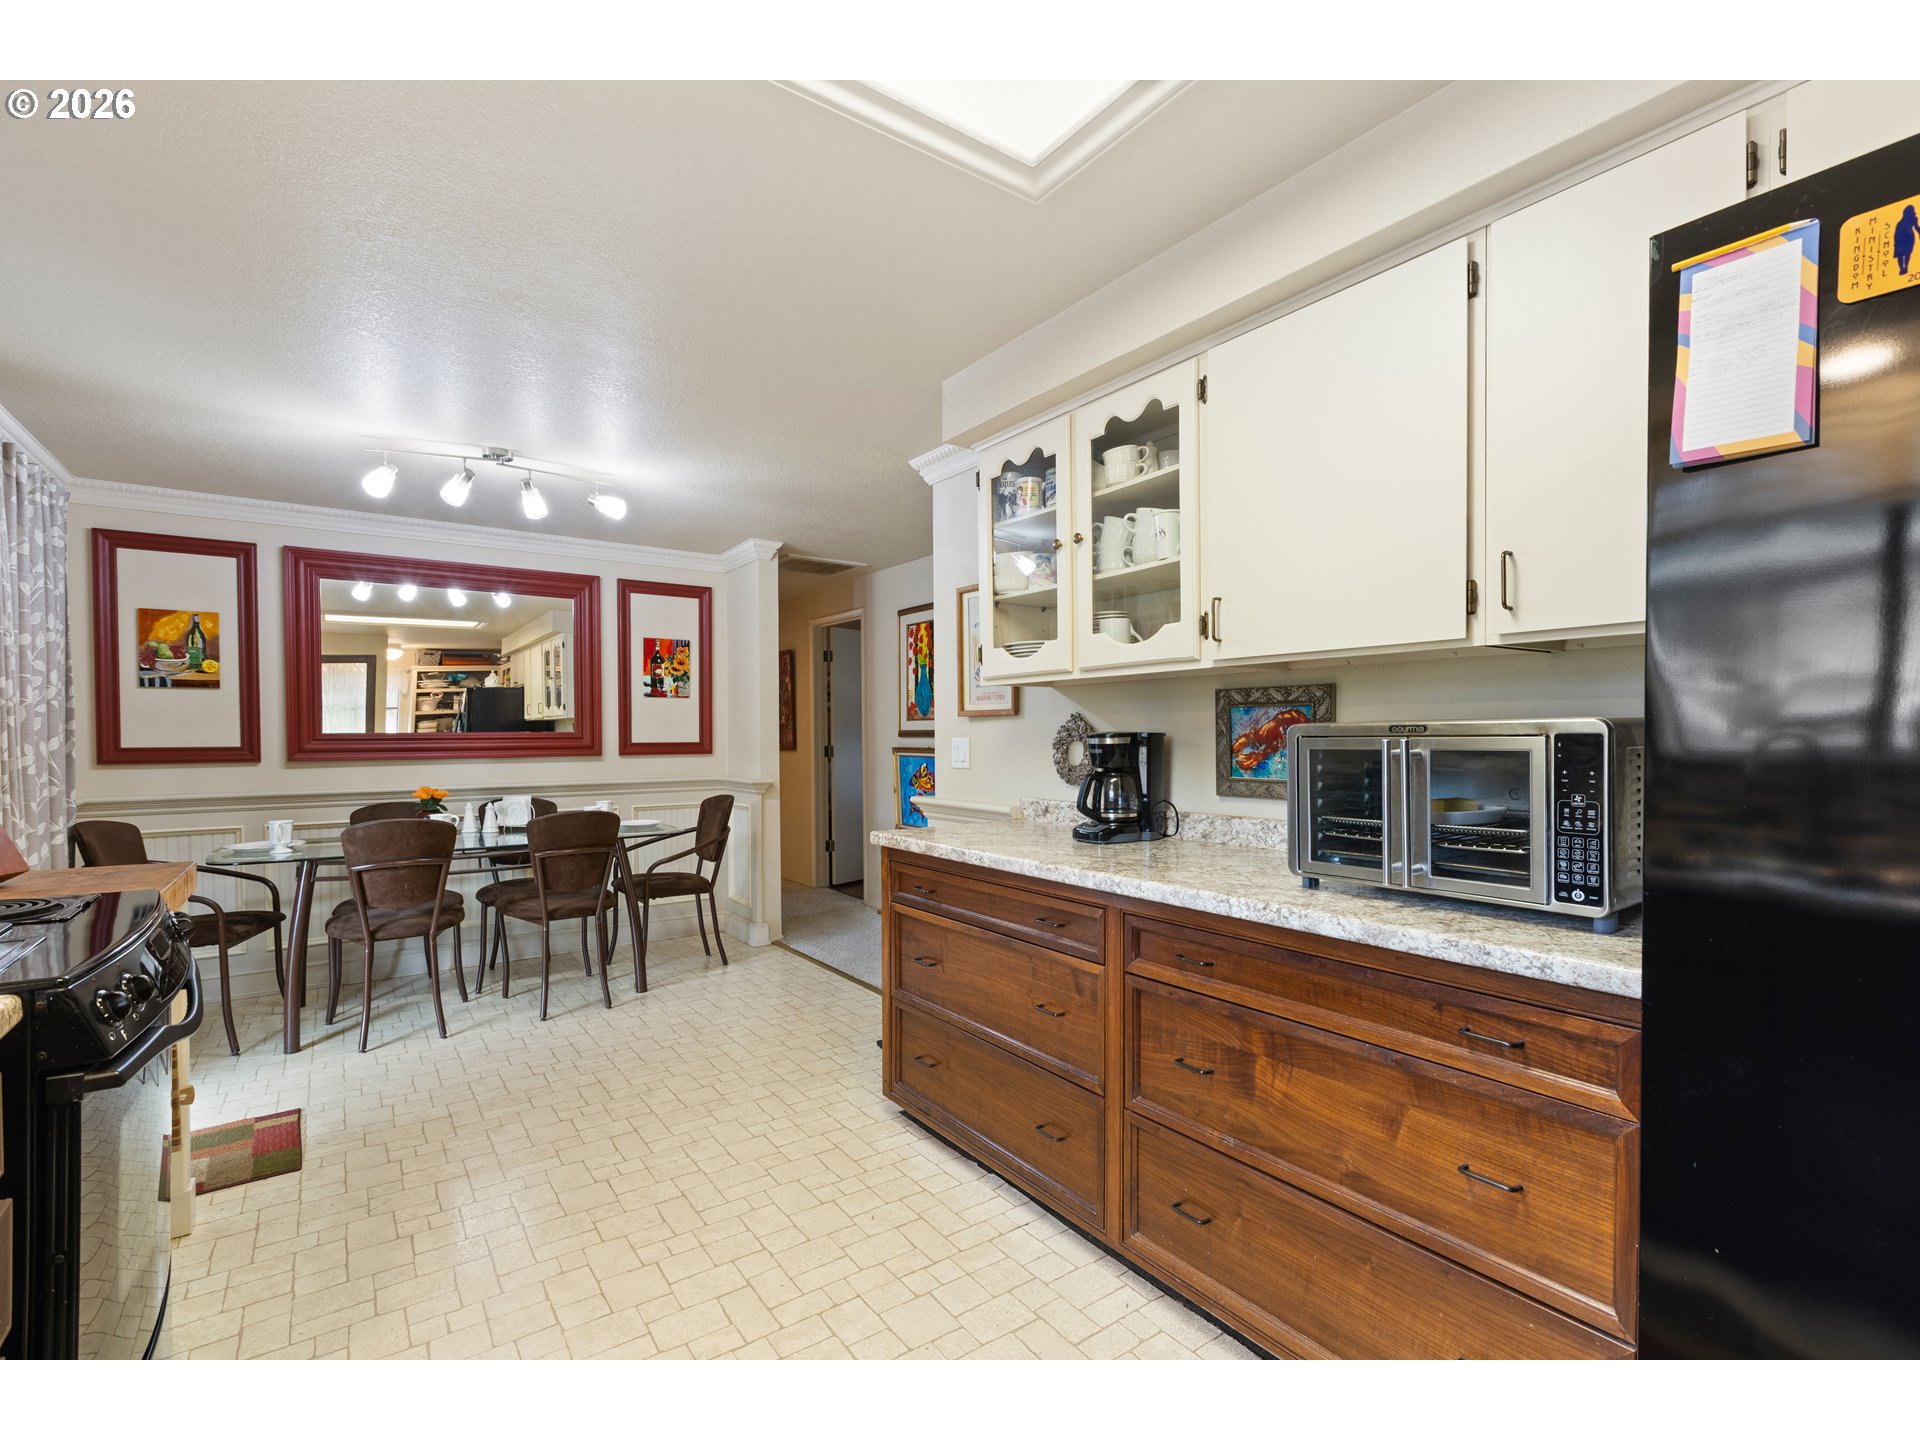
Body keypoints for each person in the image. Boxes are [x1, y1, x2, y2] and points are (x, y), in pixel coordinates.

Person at [1895, 204, 1920, 277]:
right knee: (1900, 254)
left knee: (1907, 253)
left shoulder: (1914, 218)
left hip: (1909, 237)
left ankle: (1905, 267)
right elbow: (1897, 231)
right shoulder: (1901, 222)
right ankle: (1902, 268)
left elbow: (1916, 227)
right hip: (1901, 236)